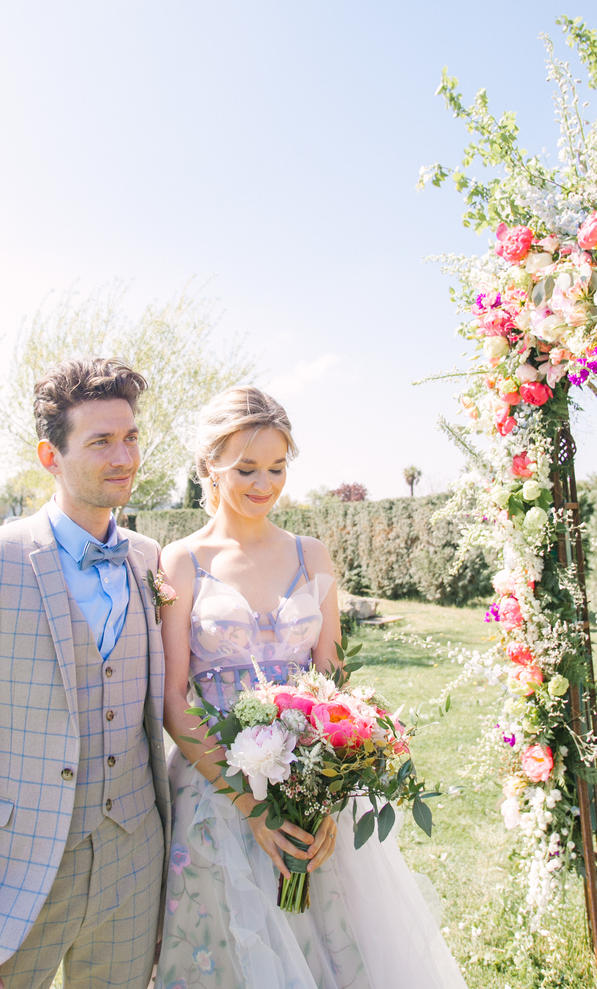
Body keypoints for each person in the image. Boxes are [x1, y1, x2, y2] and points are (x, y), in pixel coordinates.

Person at [155, 386, 468, 989]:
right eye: (246, 469)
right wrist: (251, 809)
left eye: (276, 468)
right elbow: (173, 699)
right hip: (216, 794)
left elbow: (333, 687)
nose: (263, 484)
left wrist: (323, 795)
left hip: (312, 787)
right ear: (209, 467)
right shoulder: (180, 561)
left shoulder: (314, 555)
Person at [0, 357, 170, 989]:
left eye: (130, 436)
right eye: (100, 441)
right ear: (50, 456)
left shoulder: (150, 559)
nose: (123, 456)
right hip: (11, 879)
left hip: (133, 862)